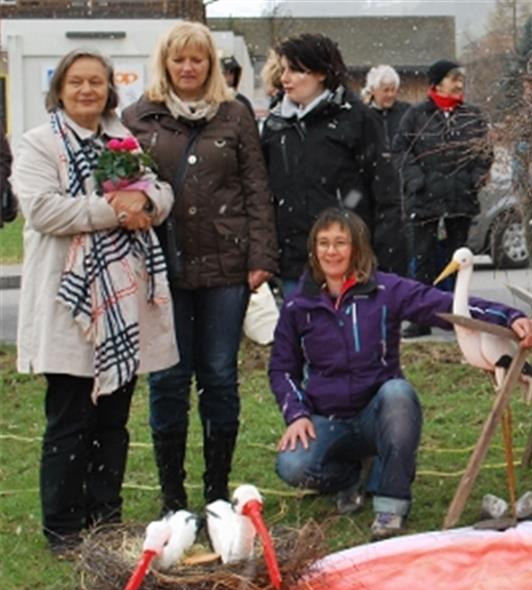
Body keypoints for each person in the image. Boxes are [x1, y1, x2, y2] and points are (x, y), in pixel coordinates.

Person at [268, 208, 532, 540]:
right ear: (314, 250)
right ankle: (351, 477)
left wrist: (508, 316)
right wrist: (296, 414)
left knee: (399, 394)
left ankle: (390, 504)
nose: (331, 251)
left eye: (341, 242)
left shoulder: (385, 290)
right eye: (323, 243)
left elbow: (448, 306)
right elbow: (282, 368)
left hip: (379, 413)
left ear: (357, 248)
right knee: (292, 465)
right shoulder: (299, 305)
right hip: (328, 418)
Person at [11, 49, 177, 554]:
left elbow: (162, 192)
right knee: (70, 418)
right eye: (77, 82)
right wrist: (114, 208)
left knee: (113, 419)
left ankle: (106, 515)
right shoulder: (38, 144)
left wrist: (146, 203)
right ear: (59, 89)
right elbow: (43, 211)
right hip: (71, 304)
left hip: (122, 305)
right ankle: (62, 526)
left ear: (109, 89)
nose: (87, 91)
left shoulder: (124, 144)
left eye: (97, 83)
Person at [124, 21, 279, 512]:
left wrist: (261, 255)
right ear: (165, 64)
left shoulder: (234, 116)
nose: (188, 68)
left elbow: (256, 189)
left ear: (211, 65)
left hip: (226, 267)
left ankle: (215, 489)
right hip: (161, 267)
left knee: (219, 376)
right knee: (168, 378)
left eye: (198, 59)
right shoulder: (137, 118)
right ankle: (173, 494)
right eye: (179, 59)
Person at [259, 33, 397, 297]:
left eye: (295, 70)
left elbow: (384, 193)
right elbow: (265, 191)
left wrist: (382, 258)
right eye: (283, 69)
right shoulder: (276, 125)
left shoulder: (357, 120)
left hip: (349, 259)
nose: (285, 78)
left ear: (321, 73)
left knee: (350, 336)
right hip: (295, 260)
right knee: (303, 334)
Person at [393, 59, 490, 337]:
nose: (459, 83)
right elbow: (401, 151)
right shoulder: (416, 115)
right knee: (422, 260)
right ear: (436, 84)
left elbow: (484, 152)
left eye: (461, 78)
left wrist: (475, 178)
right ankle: (421, 317)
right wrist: (416, 180)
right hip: (423, 202)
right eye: (453, 78)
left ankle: (457, 315)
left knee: (459, 260)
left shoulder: (472, 115)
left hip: (461, 200)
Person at [363, 64, 412, 276]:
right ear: (373, 90)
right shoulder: (363, 117)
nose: (390, 95)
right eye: (385, 90)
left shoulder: (406, 114)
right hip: (372, 196)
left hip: (399, 195)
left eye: (393, 89)